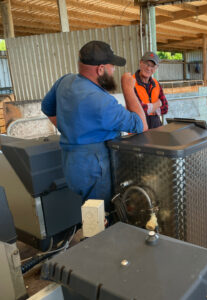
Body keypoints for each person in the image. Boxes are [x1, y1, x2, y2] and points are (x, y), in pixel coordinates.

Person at [41, 40, 148, 212]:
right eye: (112, 66)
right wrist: (128, 88)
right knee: (101, 218)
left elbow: (47, 107)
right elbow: (141, 125)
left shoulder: (65, 81)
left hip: (71, 164)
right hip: (95, 170)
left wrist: (70, 130)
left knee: (88, 212)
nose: (113, 71)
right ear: (100, 69)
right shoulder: (101, 102)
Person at [121, 51, 168, 129]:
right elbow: (139, 111)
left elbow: (165, 109)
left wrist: (148, 108)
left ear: (156, 68)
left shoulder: (156, 84)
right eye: (147, 64)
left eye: (152, 66)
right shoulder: (131, 82)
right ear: (140, 63)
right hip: (138, 130)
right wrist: (157, 104)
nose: (149, 68)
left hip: (156, 128)